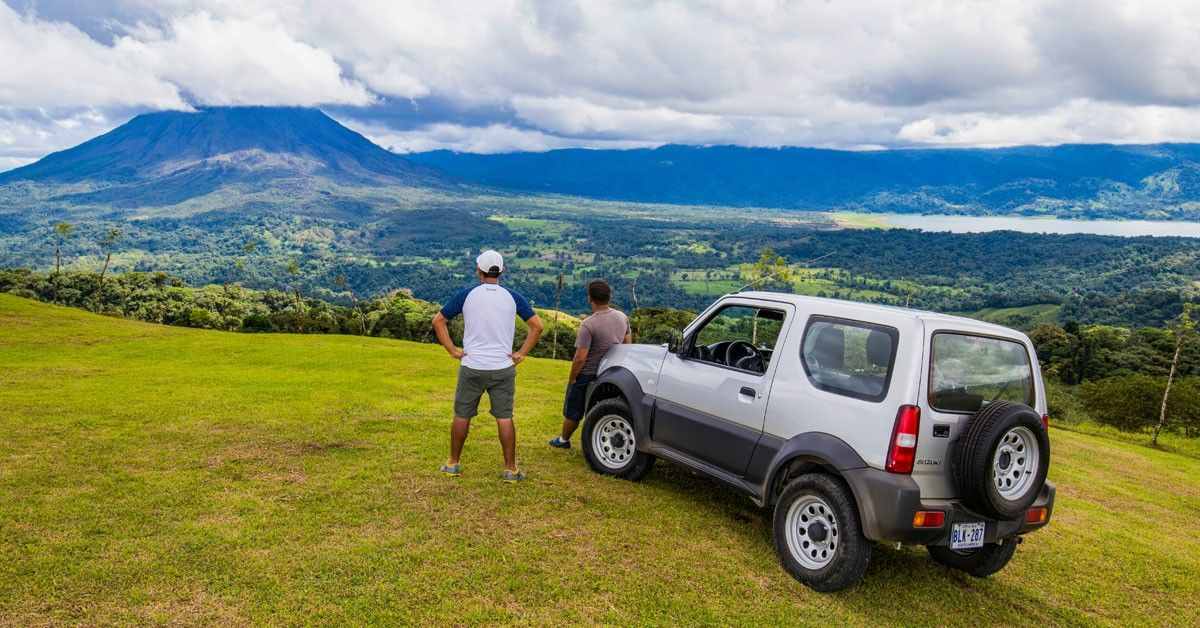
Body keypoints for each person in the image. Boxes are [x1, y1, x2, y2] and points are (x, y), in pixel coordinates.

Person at [432, 250, 543, 482]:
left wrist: (452, 350)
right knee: (504, 417)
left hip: (472, 365)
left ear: (478, 271)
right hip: (502, 367)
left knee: (462, 415)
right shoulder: (513, 297)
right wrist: (521, 353)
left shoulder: (467, 295)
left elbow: (438, 321)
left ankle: (453, 463)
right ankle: (511, 469)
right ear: (502, 271)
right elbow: (537, 326)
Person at [549, 279, 631, 449]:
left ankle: (564, 440)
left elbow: (580, 357)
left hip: (588, 373)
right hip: (612, 373)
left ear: (590, 298)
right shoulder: (623, 317)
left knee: (574, 410)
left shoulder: (588, 324)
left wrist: (572, 378)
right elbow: (627, 345)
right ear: (609, 297)